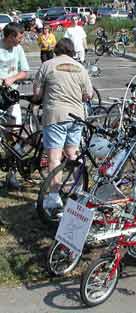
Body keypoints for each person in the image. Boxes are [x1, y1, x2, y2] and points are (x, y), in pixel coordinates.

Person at [33, 38, 93, 210]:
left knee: (54, 157)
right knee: (72, 154)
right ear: (72, 52)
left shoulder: (47, 65)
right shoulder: (80, 68)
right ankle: (80, 187)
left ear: (56, 50)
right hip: (76, 116)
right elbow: (88, 95)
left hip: (55, 116)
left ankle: (53, 196)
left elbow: (36, 93)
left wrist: (42, 95)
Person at [0, 22, 29, 189]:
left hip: (11, 96)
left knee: (15, 135)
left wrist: (12, 79)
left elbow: (25, 71)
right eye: (19, 37)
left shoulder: (18, 49)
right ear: (10, 36)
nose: (21, 40)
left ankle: (12, 174)